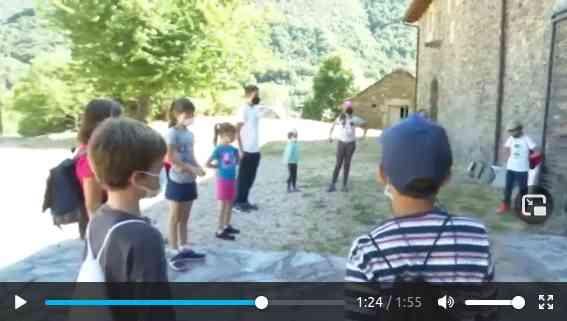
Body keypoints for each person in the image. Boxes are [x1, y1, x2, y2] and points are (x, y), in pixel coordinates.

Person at [346, 115, 494, 283]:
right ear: (447, 177)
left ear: (381, 174)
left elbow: (360, 308)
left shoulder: (367, 252)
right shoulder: (477, 239)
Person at [165, 97, 207, 271]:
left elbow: (191, 154)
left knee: (185, 218)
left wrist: (198, 167)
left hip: (190, 180)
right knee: (174, 217)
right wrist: (191, 168)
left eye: (192, 114)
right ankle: (174, 252)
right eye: (187, 114)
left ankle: (184, 247)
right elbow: (171, 157)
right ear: (177, 114)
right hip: (177, 180)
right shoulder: (172, 133)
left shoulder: (189, 134)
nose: (190, 117)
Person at [75, 98, 122, 239]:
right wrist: (103, 237)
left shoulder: (99, 150)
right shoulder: (90, 158)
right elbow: (92, 206)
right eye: (117, 119)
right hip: (101, 226)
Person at [206, 123, 241, 241]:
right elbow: (208, 163)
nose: (233, 137)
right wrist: (219, 166)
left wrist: (238, 157)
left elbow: (236, 162)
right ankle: (219, 230)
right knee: (222, 206)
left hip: (232, 179)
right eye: (232, 134)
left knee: (230, 203)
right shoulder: (219, 149)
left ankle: (226, 225)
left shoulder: (232, 149)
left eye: (234, 135)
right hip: (223, 180)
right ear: (223, 134)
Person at [497, 120, 538, 214]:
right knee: (507, 188)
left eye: (512, 130)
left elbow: (536, 152)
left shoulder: (527, 139)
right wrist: (506, 158)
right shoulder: (511, 138)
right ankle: (505, 206)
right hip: (510, 168)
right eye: (509, 131)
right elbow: (506, 148)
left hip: (522, 170)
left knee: (522, 189)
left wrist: (529, 157)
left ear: (519, 129)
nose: (510, 132)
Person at [327, 101, 368, 192]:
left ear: (350, 110)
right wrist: (330, 135)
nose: (346, 110)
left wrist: (363, 135)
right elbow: (333, 125)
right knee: (338, 164)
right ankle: (332, 184)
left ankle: (344, 186)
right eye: (345, 108)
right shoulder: (341, 118)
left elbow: (365, 125)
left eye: (347, 108)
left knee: (347, 164)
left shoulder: (355, 119)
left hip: (350, 144)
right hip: (341, 143)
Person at [234, 85, 263, 212]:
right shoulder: (243, 109)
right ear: (249, 95)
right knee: (243, 178)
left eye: (258, 94)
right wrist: (240, 150)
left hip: (255, 150)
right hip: (245, 150)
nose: (257, 97)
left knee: (251, 178)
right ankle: (237, 203)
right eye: (255, 94)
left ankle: (245, 201)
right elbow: (237, 130)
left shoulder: (255, 109)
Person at [283, 129, 300, 193]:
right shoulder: (290, 143)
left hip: (295, 161)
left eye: (296, 134)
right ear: (291, 136)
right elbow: (287, 153)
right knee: (291, 175)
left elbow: (296, 152)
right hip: (290, 162)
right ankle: (288, 188)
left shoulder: (295, 142)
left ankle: (294, 187)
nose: (296, 135)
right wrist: (286, 161)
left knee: (294, 175)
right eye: (295, 134)